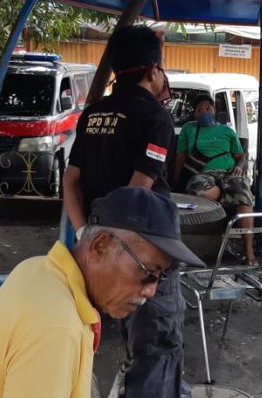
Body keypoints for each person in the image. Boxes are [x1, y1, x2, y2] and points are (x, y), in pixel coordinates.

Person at [0, 187, 204, 398]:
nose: (151, 291)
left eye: (161, 278)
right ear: (101, 246)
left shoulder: (35, 268)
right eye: (148, 272)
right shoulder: (56, 327)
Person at [63, 25, 186, 398]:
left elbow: (70, 180)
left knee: (132, 328)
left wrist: (87, 232)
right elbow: (137, 193)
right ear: (153, 69)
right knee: (159, 337)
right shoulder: (155, 116)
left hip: (101, 244)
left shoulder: (94, 113)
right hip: (144, 247)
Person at [173, 94, 257, 265]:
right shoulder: (189, 129)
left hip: (229, 171)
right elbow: (180, 157)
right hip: (204, 173)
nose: (204, 112)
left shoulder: (227, 131)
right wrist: (174, 183)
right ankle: (228, 194)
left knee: (243, 195)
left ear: (215, 110)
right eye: (200, 110)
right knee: (198, 190)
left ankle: (249, 250)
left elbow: (241, 156)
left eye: (208, 109)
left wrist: (240, 167)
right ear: (194, 113)